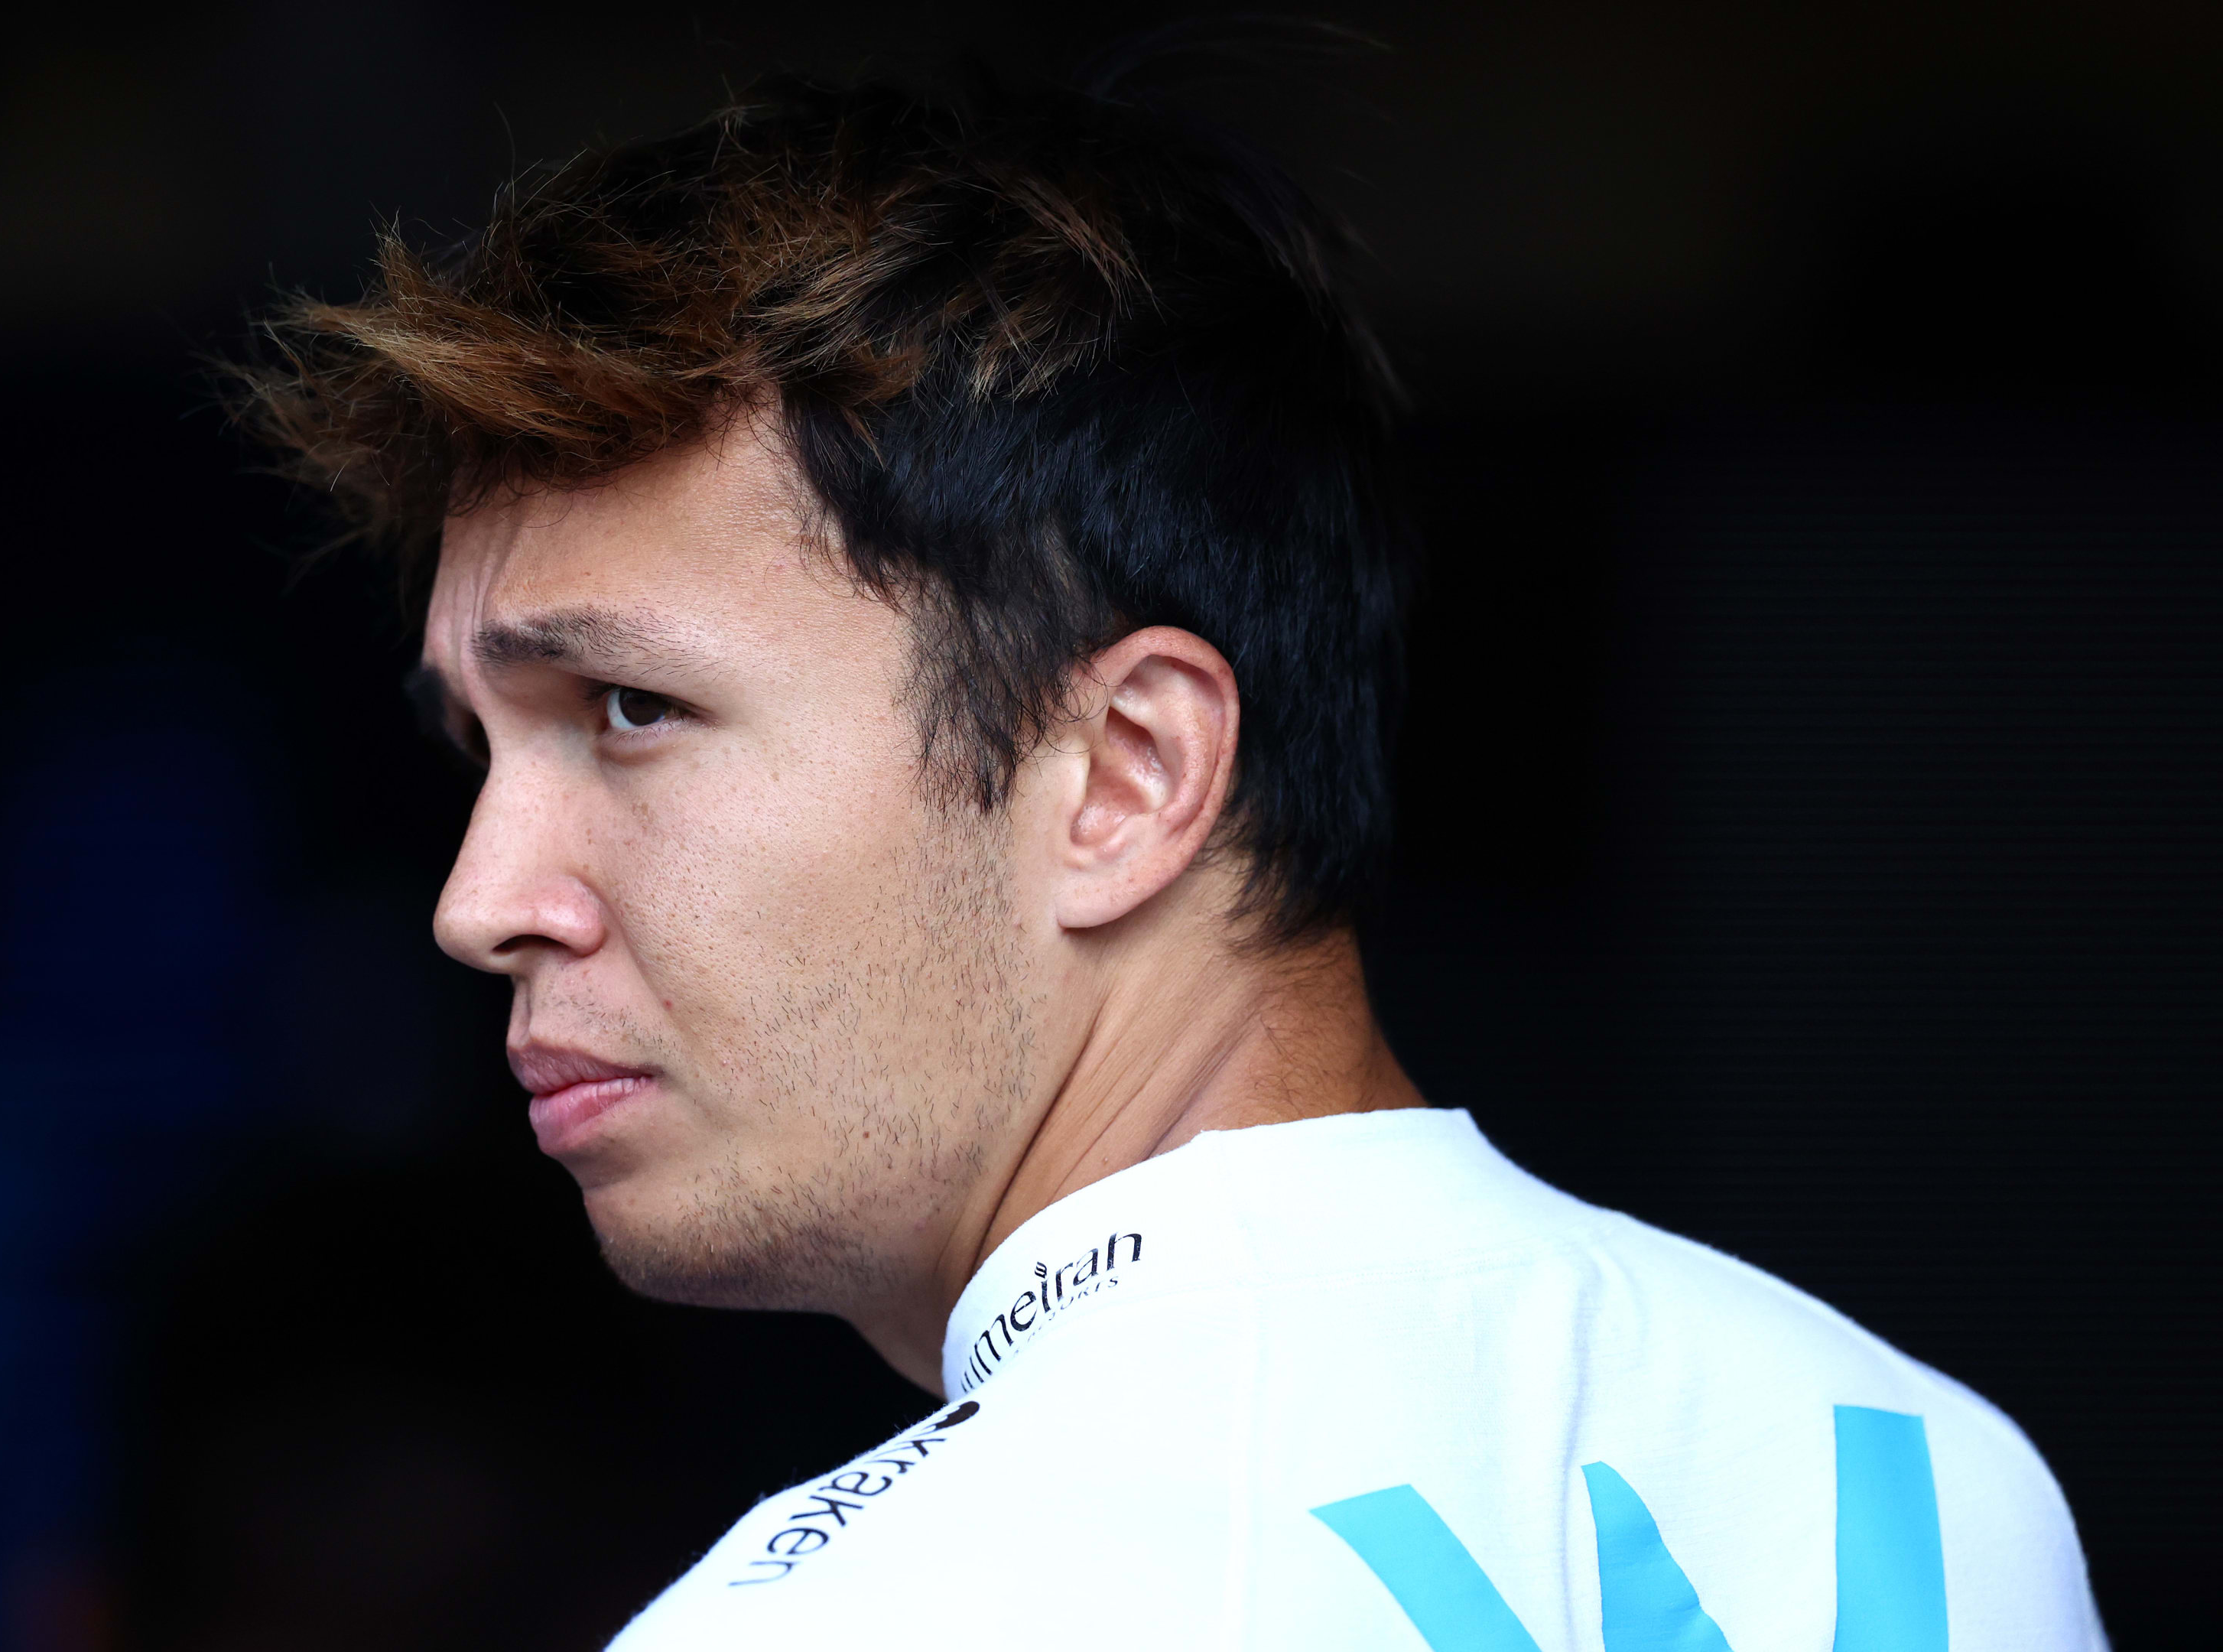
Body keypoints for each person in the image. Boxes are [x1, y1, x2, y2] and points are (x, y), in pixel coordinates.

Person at [233, 61, 2102, 1651]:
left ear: (1126, 772)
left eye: (628, 711)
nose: (480, 901)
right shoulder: (1923, 1476)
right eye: (482, 748)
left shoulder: (867, 1613)